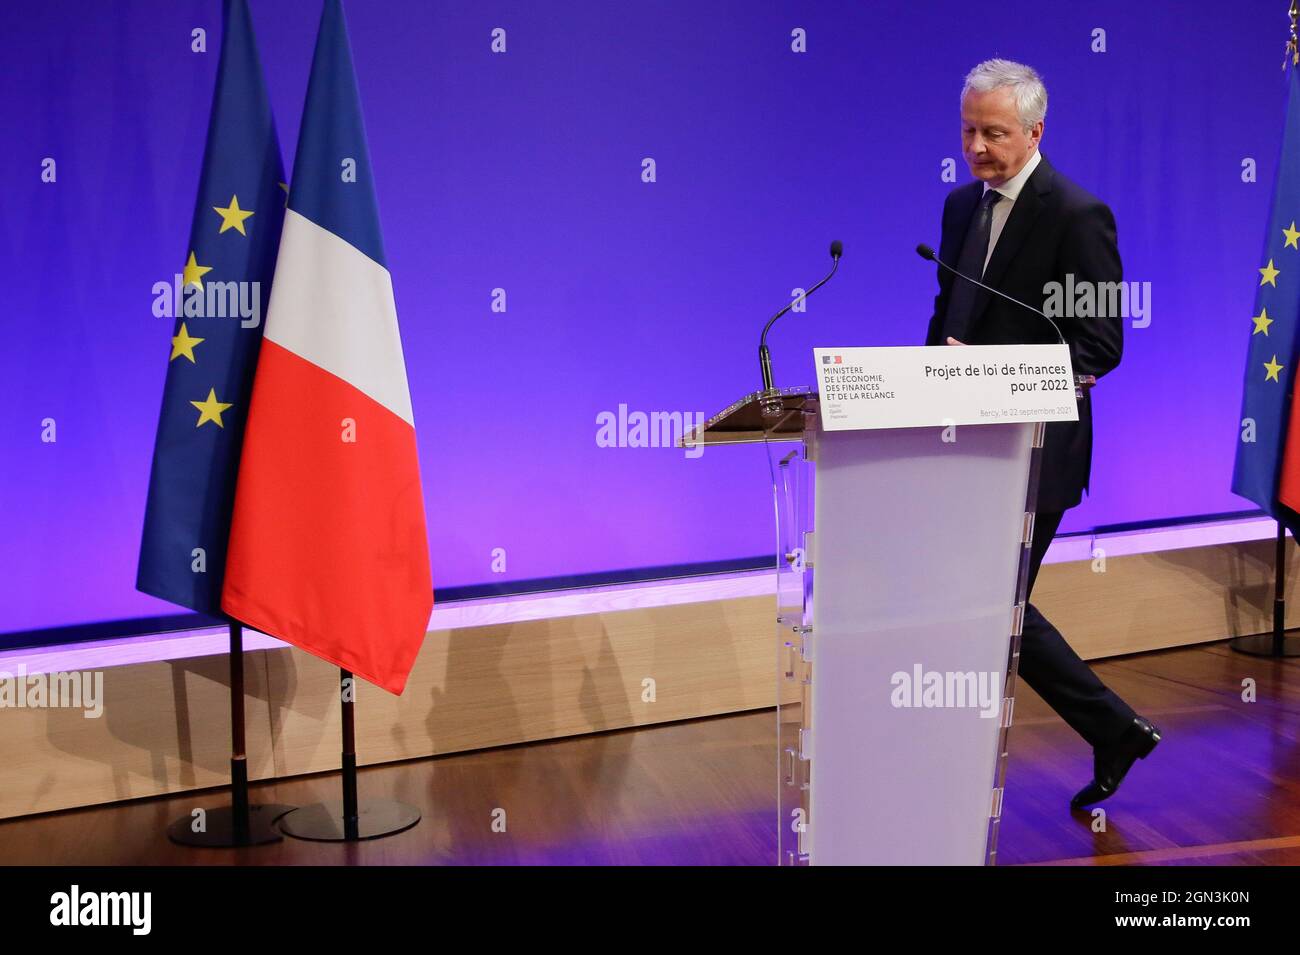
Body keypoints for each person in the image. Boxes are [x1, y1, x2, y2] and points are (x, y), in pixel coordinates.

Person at [925, 58, 1160, 809]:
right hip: (960, 437)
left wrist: (990, 369)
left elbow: (1099, 346)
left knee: (989, 601)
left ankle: (1088, 732)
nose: (977, 147)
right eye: (968, 130)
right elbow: (948, 321)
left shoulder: (1076, 214)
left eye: (993, 132)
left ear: (1034, 131)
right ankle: (1111, 729)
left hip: (1035, 446)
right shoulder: (961, 209)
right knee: (988, 603)